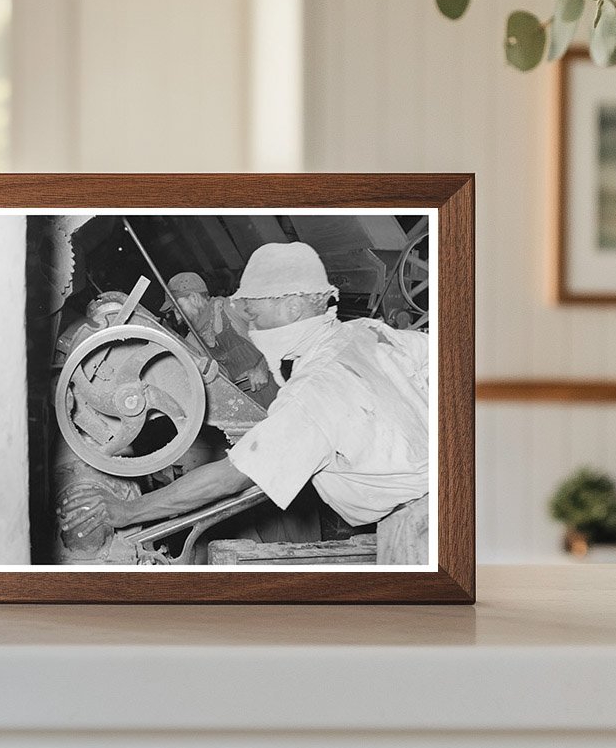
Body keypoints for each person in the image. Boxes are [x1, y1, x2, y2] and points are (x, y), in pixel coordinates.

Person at [61, 241, 431, 564]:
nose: (250, 318)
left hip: (420, 525)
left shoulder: (311, 395)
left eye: (255, 309)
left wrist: (128, 512)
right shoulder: (367, 331)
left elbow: (230, 478)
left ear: (293, 307)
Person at [161, 271, 278, 407]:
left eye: (178, 309)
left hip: (279, 399)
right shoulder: (191, 342)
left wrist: (263, 365)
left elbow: (277, 329)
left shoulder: (233, 308)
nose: (178, 318)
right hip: (246, 411)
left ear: (194, 298)